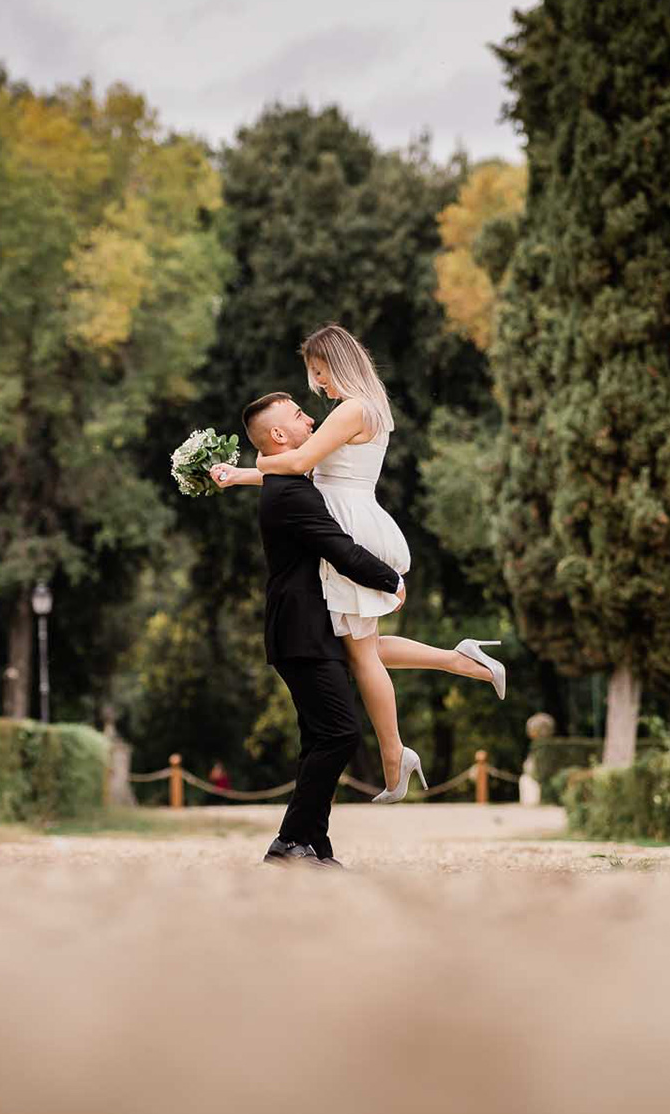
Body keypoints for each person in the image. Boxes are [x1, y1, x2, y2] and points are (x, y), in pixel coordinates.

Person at [212, 324, 506, 802]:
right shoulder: (359, 408)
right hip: (346, 513)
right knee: (356, 647)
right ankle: (458, 660)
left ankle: (395, 758)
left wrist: (248, 466)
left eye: (320, 373)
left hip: (347, 523)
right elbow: (300, 468)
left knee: (362, 654)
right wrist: (238, 476)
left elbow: (296, 460)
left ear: (337, 362)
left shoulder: (352, 409)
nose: (319, 385)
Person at [237, 390, 403, 868]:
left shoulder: (288, 481)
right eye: (299, 416)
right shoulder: (289, 492)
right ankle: (290, 842)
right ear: (279, 435)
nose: (312, 420)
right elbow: (339, 548)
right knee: (340, 734)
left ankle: (315, 846)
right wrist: (391, 581)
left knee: (320, 737)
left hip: (307, 631)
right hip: (300, 632)